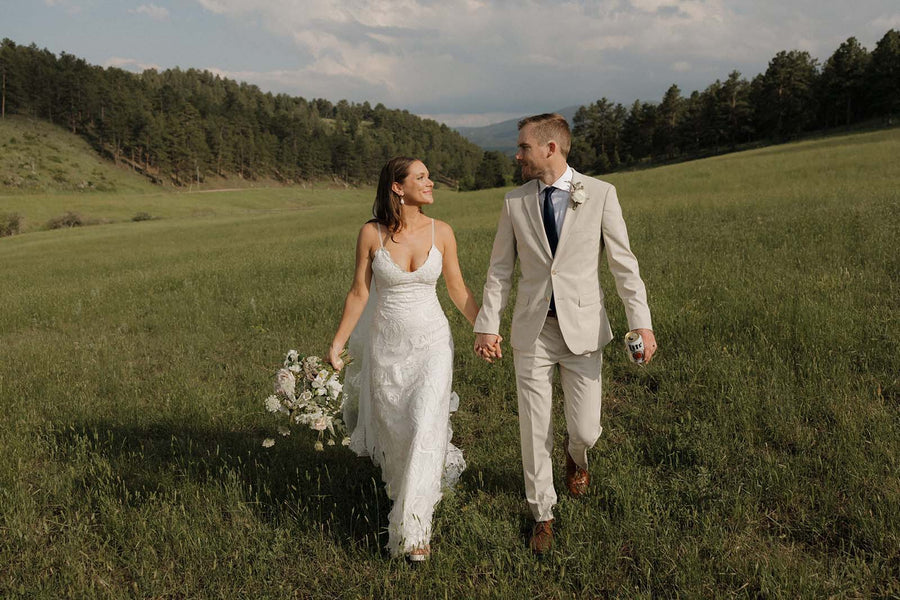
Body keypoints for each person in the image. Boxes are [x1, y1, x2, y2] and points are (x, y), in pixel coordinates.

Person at [473, 113, 657, 555]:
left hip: (584, 330)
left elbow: (623, 264)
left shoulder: (600, 194)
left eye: (523, 148)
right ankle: (543, 514)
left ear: (550, 149)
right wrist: (487, 325)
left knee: (587, 429)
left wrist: (642, 321)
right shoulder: (514, 202)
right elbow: (500, 270)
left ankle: (576, 456)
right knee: (535, 425)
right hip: (532, 331)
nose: (516, 155)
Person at [327, 156, 480, 562]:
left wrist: (486, 328)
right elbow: (359, 292)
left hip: (432, 345)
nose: (431, 183)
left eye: (429, 176)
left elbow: (458, 288)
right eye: (421, 177)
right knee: (399, 435)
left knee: (427, 426)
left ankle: (414, 533)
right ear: (398, 187)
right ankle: (407, 496)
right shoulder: (370, 234)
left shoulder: (442, 232)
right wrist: (337, 343)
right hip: (387, 349)